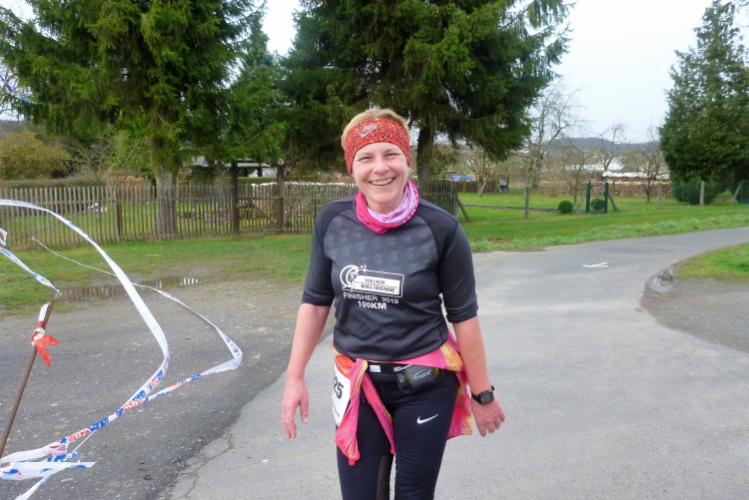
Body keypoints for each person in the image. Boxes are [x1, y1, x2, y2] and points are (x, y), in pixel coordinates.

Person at [281, 108, 505, 500]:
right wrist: (294, 378)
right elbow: (315, 302)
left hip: (424, 385)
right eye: (366, 157)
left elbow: (464, 317)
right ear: (352, 167)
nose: (380, 168)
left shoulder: (441, 229)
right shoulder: (332, 222)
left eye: (391, 154)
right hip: (358, 383)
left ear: (407, 160)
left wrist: (482, 394)